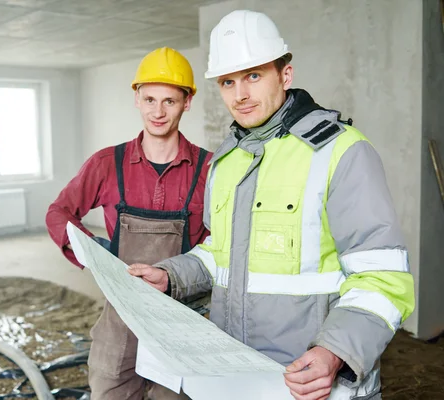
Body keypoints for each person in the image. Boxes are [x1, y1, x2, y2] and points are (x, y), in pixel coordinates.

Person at [128, 10, 415, 400]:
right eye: (228, 81)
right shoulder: (226, 161)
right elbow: (220, 254)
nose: (240, 95)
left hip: (311, 384)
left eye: (254, 75)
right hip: (236, 378)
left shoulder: (341, 150)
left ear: (285, 75)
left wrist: (335, 351)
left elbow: (384, 277)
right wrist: (171, 276)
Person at [46, 47, 212, 400]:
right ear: (136, 98)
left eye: (169, 100)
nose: (158, 111)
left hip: (183, 321)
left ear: (188, 101)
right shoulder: (108, 163)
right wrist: (90, 251)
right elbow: (59, 211)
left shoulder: (210, 171)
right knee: (109, 389)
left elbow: (224, 246)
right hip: (121, 317)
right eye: (150, 98)